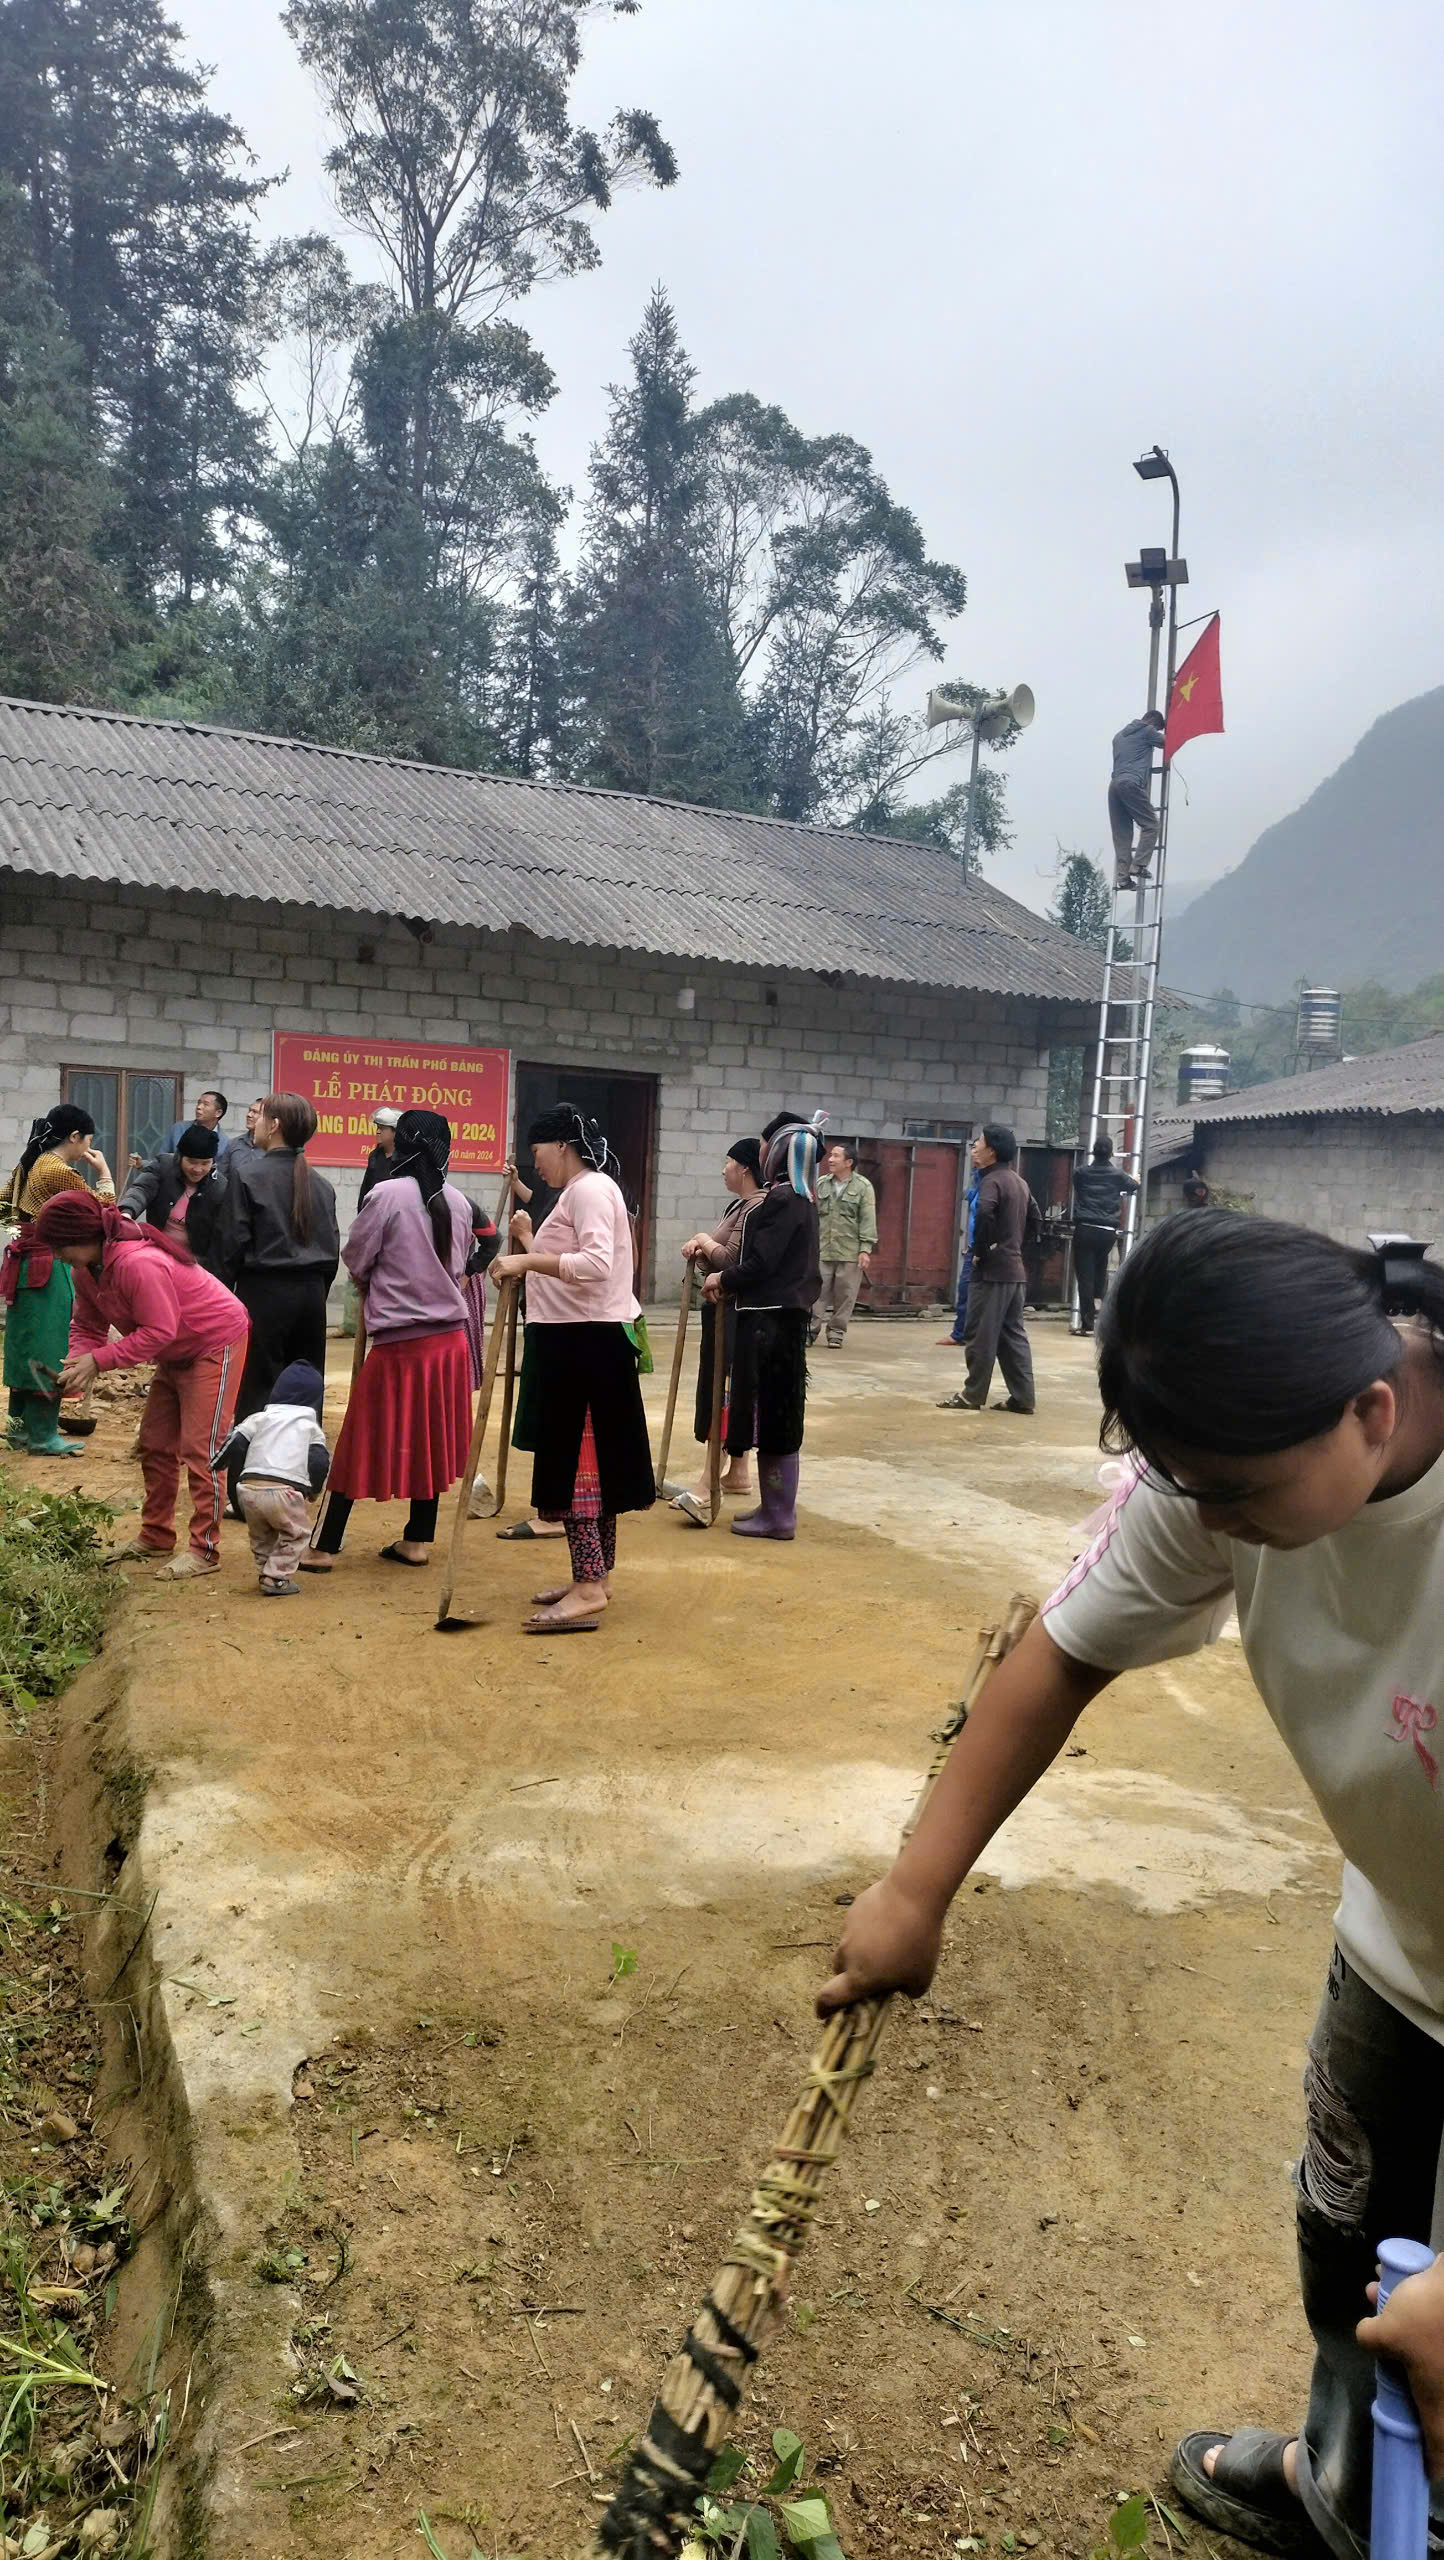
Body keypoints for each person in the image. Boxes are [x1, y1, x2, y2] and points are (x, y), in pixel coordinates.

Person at [823, 1212, 1444, 2560]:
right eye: (1187, 1487)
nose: (1208, 1527)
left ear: (1373, 1414)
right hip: (1400, 1946)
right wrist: (914, 1893)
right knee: (1349, 2249)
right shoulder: (1230, 1460)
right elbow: (1061, 1654)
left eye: (1235, 1494)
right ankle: (1343, 2485)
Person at [489, 1105, 654, 1631]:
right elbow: (570, 1265)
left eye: (537, 1152)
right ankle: (595, 1578)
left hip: (587, 1347)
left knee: (583, 1468)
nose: (534, 1164)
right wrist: (528, 1243)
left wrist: (525, 1259)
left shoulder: (589, 1190)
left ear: (562, 1145)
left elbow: (596, 1265)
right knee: (591, 1467)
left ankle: (587, 1587)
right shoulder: (582, 1191)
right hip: (577, 1341)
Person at [36, 1190, 248, 1577]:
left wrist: (100, 1360)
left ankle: (205, 1550)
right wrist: (79, 1360)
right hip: (174, 1350)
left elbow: (159, 1331)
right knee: (155, 1444)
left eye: (59, 1247)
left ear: (82, 1237)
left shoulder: (138, 1264)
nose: (56, 1256)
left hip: (213, 1342)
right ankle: (156, 1535)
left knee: (202, 1449)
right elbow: (87, 1325)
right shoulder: (86, 1271)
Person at [301, 1110, 472, 1571]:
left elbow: (357, 1257)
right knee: (430, 1440)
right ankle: (416, 1540)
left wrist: (368, 1282)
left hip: (401, 1345)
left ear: (403, 1146)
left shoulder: (387, 1195)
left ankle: (323, 1545)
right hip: (449, 1344)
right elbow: (462, 1263)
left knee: (359, 1438)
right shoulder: (459, 1201)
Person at [704, 1110, 824, 1542]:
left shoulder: (784, 1201)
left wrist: (723, 1277)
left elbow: (760, 1263)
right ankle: (774, 1508)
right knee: (777, 1418)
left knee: (776, 1420)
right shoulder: (798, 1198)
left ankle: (779, 1516)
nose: (760, 1150)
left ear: (781, 1151)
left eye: (765, 1143)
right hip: (781, 1320)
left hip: (771, 1324)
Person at [216, 1093, 339, 1511]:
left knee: (256, 1391)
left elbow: (231, 1246)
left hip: (264, 1295)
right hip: (311, 1297)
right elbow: (332, 1253)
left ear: (275, 1126)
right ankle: (299, 1483)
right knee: (305, 1391)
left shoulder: (248, 1176)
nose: (254, 1123)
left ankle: (243, 1492)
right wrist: (314, 1295)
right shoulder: (321, 1185)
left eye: (261, 1116)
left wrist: (223, 1299)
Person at [2, 1107, 116, 1455]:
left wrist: (23, 1234)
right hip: (49, 1266)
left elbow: (3, 1207)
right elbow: (102, 1212)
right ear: (75, 1137)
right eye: (88, 1141)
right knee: (50, 1347)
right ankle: (43, 1436)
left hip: (23, 1264)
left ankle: (19, 1430)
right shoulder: (58, 1170)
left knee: (23, 1346)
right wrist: (105, 1175)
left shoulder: (29, 1164)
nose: (88, 1149)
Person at [674, 1137, 766, 1523]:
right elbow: (717, 1259)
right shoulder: (738, 1205)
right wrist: (702, 1252)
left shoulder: (757, 1206)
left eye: (728, 1162)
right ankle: (737, 1473)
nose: (723, 1169)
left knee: (725, 1391)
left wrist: (702, 1240)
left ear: (744, 1167)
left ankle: (708, 1480)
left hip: (737, 1315)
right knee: (725, 1387)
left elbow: (730, 1259)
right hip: (723, 1310)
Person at [938, 1125, 1040, 1415]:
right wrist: (1014, 1246)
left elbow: (984, 1212)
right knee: (1013, 1336)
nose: (974, 1148)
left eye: (979, 1144)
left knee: (980, 1334)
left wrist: (983, 1251)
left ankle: (972, 1395)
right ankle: (1023, 1398)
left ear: (992, 1151)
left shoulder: (991, 1181)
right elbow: (1035, 1218)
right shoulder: (1019, 1182)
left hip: (992, 1273)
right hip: (1014, 1271)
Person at [216, 1360, 330, 1597]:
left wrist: (216, 1464)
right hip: (284, 1492)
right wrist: (314, 1490)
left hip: (247, 1490)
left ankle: (265, 1571)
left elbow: (235, 1442)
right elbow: (319, 1462)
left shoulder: (259, 1418)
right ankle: (276, 1577)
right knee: (297, 1534)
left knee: (261, 1535)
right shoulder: (310, 1427)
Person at [120, 1123, 229, 1274]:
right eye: (192, 1162)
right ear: (180, 1156)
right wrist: (126, 1212)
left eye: (205, 1163)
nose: (198, 1169)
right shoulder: (163, 1166)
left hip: (194, 1266)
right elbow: (141, 1190)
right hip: (156, 1255)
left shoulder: (220, 1187)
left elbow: (222, 1238)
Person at [1070, 1135, 1140, 1335]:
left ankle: (1087, 1325)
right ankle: (1100, 1312)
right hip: (1107, 1232)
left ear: (1093, 1152)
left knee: (1086, 1278)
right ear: (1111, 1153)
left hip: (1085, 1229)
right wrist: (1136, 1179)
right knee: (1100, 1271)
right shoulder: (1118, 1175)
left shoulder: (1080, 1173)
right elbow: (1133, 1185)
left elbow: (1078, 1186)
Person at [811, 1142, 877, 1348]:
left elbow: (867, 1218)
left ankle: (836, 1333)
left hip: (849, 1251)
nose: (830, 1159)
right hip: (823, 1249)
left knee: (845, 1295)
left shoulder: (863, 1187)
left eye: (836, 1156)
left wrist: (865, 1249)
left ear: (848, 1162)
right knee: (816, 1293)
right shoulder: (821, 1184)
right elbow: (813, 1216)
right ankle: (809, 1331)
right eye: (831, 1155)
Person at [1108, 708, 1165, 889]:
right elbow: (1167, 742)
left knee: (1122, 834)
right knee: (1151, 825)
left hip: (1114, 786)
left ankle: (1123, 878)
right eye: (1158, 728)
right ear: (1153, 722)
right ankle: (1139, 865)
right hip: (1131, 783)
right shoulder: (1147, 731)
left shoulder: (1118, 736)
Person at [939, 1160, 981, 1349]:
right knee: (965, 1289)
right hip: (974, 1247)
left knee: (986, 1293)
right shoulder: (979, 1180)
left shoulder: (996, 1182)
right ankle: (961, 1333)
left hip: (988, 1249)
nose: (974, 1153)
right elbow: (969, 1197)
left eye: (978, 1148)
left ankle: (978, 1335)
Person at [357, 1107, 401, 1209]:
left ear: (396, 1132)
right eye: (377, 1128)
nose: (378, 1132)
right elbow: (365, 1190)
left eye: (382, 1128)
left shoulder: (405, 1160)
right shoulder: (375, 1156)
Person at [166, 1089, 230, 1157]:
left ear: (218, 1113)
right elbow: (162, 1158)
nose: (198, 1107)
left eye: (206, 1104)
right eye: (199, 1103)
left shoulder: (224, 1142)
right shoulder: (179, 1129)